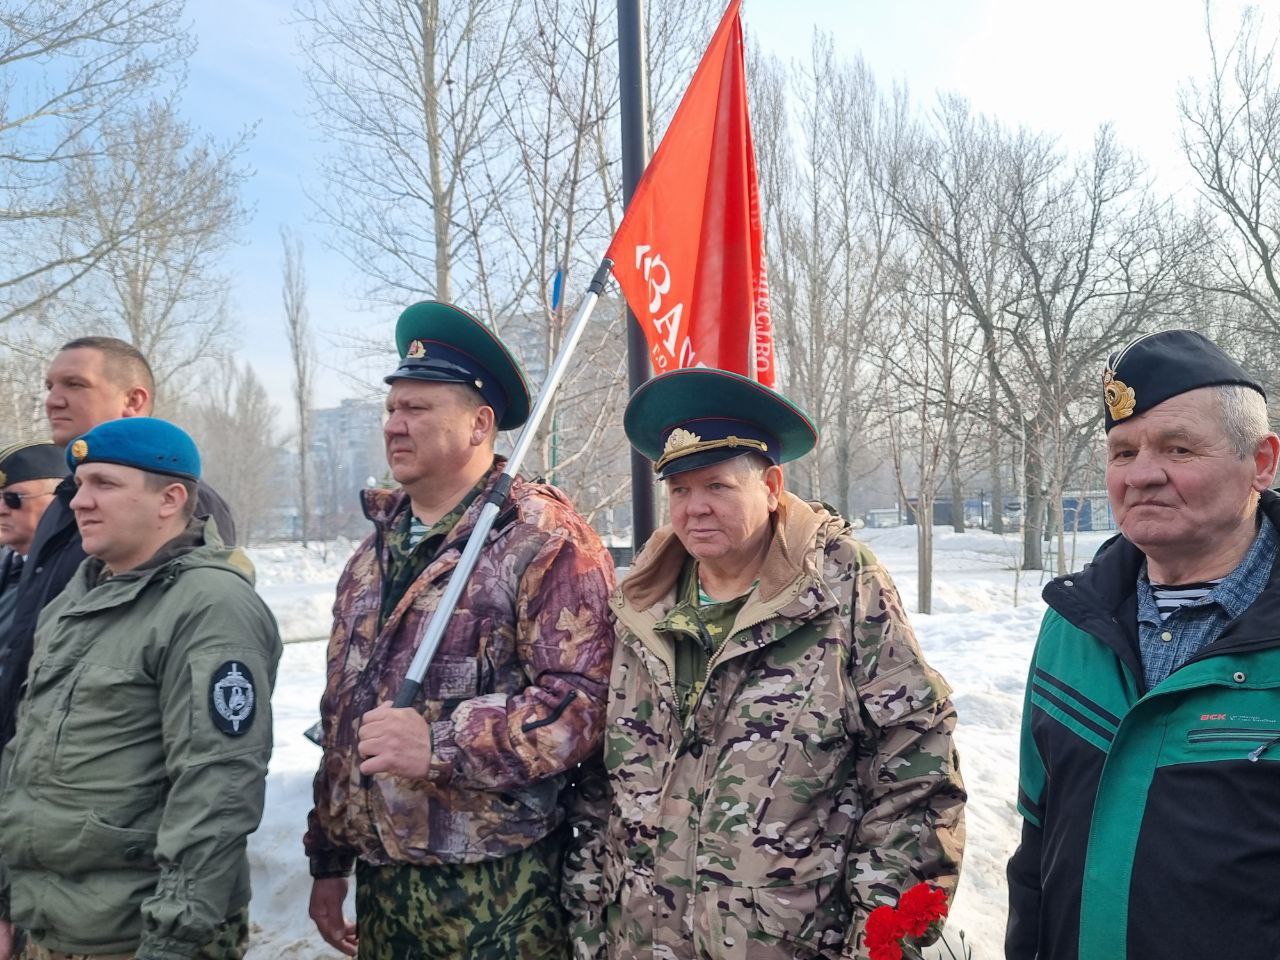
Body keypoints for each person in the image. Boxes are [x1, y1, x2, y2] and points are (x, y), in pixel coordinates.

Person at [562, 368, 966, 960]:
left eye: (718, 486)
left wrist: (880, 945)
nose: (696, 508)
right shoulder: (641, 606)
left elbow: (916, 772)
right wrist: (590, 930)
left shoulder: (840, 589)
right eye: (680, 490)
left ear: (772, 486)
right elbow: (603, 788)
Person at [304, 301, 616, 959]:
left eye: (417, 408)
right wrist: (328, 854)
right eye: (391, 408)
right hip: (384, 892)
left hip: (498, 900)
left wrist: (443, 742)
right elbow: (343, 716)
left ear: (479, 424)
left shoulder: (543, 541)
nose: (395, 424)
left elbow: (583, 705)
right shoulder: (371, 556)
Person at [1006, 330, 1280, 960]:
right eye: (1122, 452)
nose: (1141, 475)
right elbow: (1037, 847)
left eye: (1179, 448)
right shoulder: (1071, 626)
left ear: (1262, 463)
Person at [0, 417, 281, 960]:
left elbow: (217, 788)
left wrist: (171, 940)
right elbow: (25, 761)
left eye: (104, 484)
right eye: (79, 484)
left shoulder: (208, 605)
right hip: (53, 923)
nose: (80, 501)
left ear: (169, 500)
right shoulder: (76, 600)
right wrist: (8, 899)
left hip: (139, 933)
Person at [0, 336, 235, 745]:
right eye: (50, 386)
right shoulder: (65, 502)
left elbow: (192, 660)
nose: (53, 400)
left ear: (133, 400)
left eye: (75, 384)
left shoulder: (183, 505)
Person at [0, 443, 66, 641]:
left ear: (56, 500)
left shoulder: (70, 574)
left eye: (13, 498)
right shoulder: (8, 563)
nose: (1, 509)